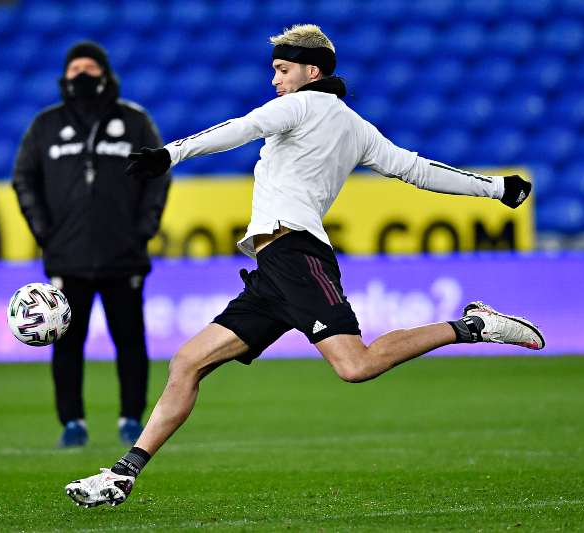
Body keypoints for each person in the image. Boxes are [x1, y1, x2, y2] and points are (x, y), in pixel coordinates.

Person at [64, 25, 543, 506]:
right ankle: (123, 474)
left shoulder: (298, 105)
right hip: (274, 269)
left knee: (355, 365)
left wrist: (170, 153)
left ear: (311, 72)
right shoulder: (357, 127)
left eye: (282, 70)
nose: (275, 80)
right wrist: (495, 188)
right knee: (188, 361)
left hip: (296, 255)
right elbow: (418, 171)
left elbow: (241, 128)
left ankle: (473, 326)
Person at [12, 41, 171, 447]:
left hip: (125, 254)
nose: (81, 74)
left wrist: (144, 228)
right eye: (74, 68)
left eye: (89, 67)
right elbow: (24, 179)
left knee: (131, 341)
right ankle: (72, 423)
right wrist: (44, 231)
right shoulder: (46, 125)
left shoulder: (134, 121)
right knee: (65, 343)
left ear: (105, 74)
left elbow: (159, 174)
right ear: (64, 77)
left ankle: (131, 419)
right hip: (68, 256)